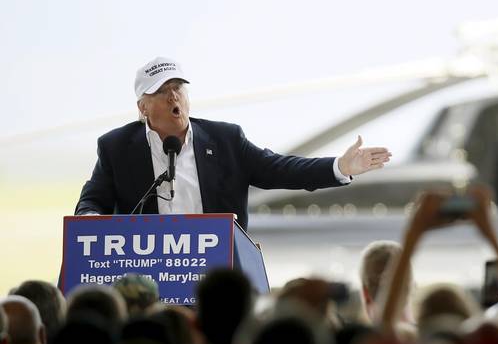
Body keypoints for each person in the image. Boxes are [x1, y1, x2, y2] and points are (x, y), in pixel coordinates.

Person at [75, 57, 392, 230]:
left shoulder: (225, 140)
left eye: (178, 88)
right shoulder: (116, 148)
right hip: (151, 274)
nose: (174, 96)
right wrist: (91, 221)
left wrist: (339, 166)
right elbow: (92, 202)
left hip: (218, 277)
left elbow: (281, 170)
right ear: (142, 108)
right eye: (161, 91)